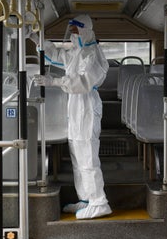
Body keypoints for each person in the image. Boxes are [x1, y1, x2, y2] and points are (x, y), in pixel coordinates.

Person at [31, 14, 112, 220]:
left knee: (87, 157)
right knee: (77, 156)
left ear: (85, 30)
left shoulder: (92, 54)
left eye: (75, 31)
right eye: (72, 31)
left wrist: (54, 82)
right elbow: (56, 54)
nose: (72, 35)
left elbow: (83, 82)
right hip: (76, 109)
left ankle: (99, 202)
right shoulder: (78, 52)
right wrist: (33, 36)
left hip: (86, 107)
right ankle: (85, 199)